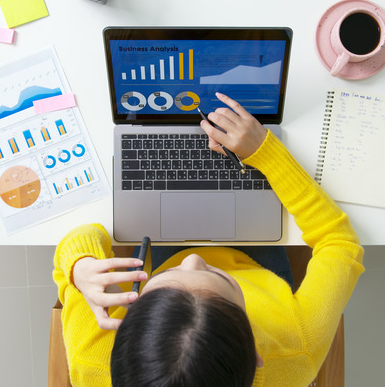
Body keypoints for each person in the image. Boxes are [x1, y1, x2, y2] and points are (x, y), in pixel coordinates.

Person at [52, 92, 365, 386]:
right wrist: (265, 153)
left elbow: (79, 237)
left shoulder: (93, 360)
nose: (193, 259)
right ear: (256, 353)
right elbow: (339, 242)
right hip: (258, 263)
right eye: (220, 279)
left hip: (162, 250)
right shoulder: (296, 350)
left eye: (171, 278)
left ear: (124, 334)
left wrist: (82, 267)